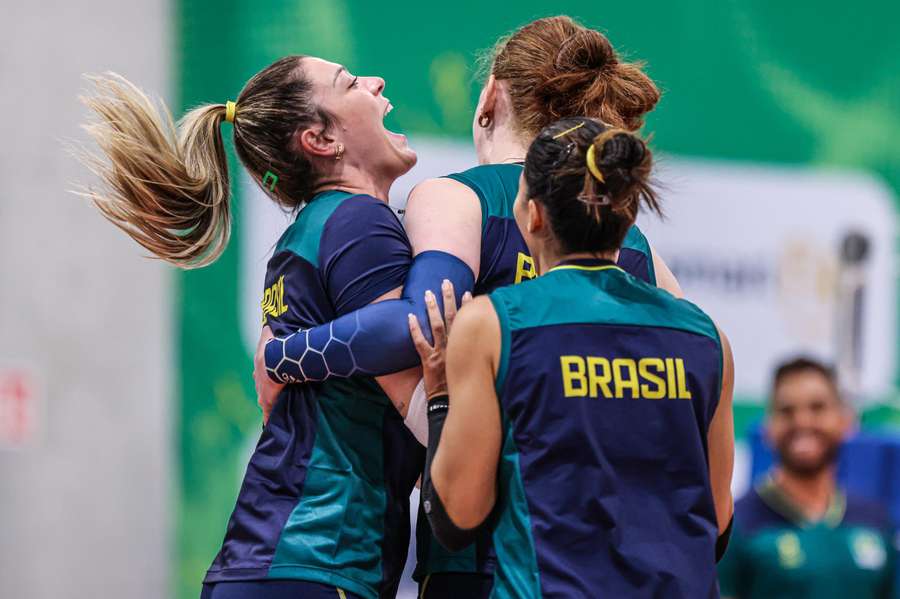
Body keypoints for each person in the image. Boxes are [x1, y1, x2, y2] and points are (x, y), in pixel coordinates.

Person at [254, 18, 682, 595]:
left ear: (490, 99)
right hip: (606, 554)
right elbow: (689, 390)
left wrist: (287, 353)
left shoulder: (457, 197)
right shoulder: (636, 247)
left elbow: (423, 330)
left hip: (485, 554)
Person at [78, 55, 426, 599]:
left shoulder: (305, 235)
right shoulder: (358, 219)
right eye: (350, 83)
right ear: (321, 140)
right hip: (314, 561)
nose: (376, 81)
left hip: (264, 564)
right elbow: (399, 331)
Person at [409, 117, 736, 598]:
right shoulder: (706, 337)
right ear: (627, 218)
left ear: (533, 215)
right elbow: (718, 523)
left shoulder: (493, 324)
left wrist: (439, 395)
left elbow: (458, 516)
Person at [718, 357, 896, 599]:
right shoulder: (736, 526)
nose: (802, 421)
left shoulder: (875, 520)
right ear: (768, 427)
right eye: (787, 411)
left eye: (817, 407)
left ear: (845, 420)